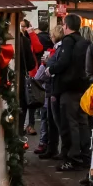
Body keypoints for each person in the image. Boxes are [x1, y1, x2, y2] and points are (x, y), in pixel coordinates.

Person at [50, 14, 92, 171]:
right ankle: (85, 155)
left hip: (68, 87)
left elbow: (63, 62)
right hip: (82, 87)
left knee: (70, 123)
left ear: (66, 26)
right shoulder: (84, 42)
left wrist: (50, 69)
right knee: (82, 122)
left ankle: (72, 157)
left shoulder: (68, 41)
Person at [36, 25, 66, 158]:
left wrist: (47, 63)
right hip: (52, 87)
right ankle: (51, 147)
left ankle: (53, 147)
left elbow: (53, 67)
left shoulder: (58, 49)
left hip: (53, 87)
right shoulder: (57, 48)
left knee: (52, 119)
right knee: (50, 119)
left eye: (52, 35)